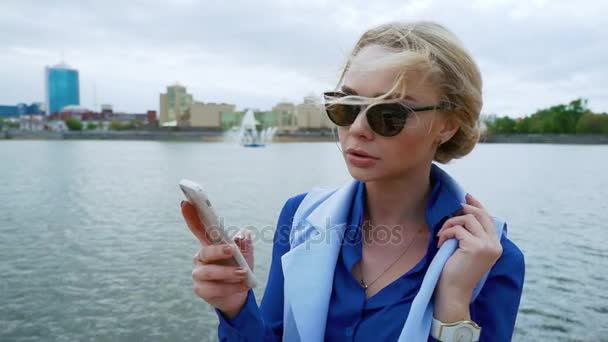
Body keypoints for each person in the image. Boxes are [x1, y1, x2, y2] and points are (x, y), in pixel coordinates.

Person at [182, 21, 525, 341]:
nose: (357, 128)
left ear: (448, 124)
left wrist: (453, 302)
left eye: (389, 113)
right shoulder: (300, 216)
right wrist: (236, 306)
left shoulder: (489, 257)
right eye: (346, 106)